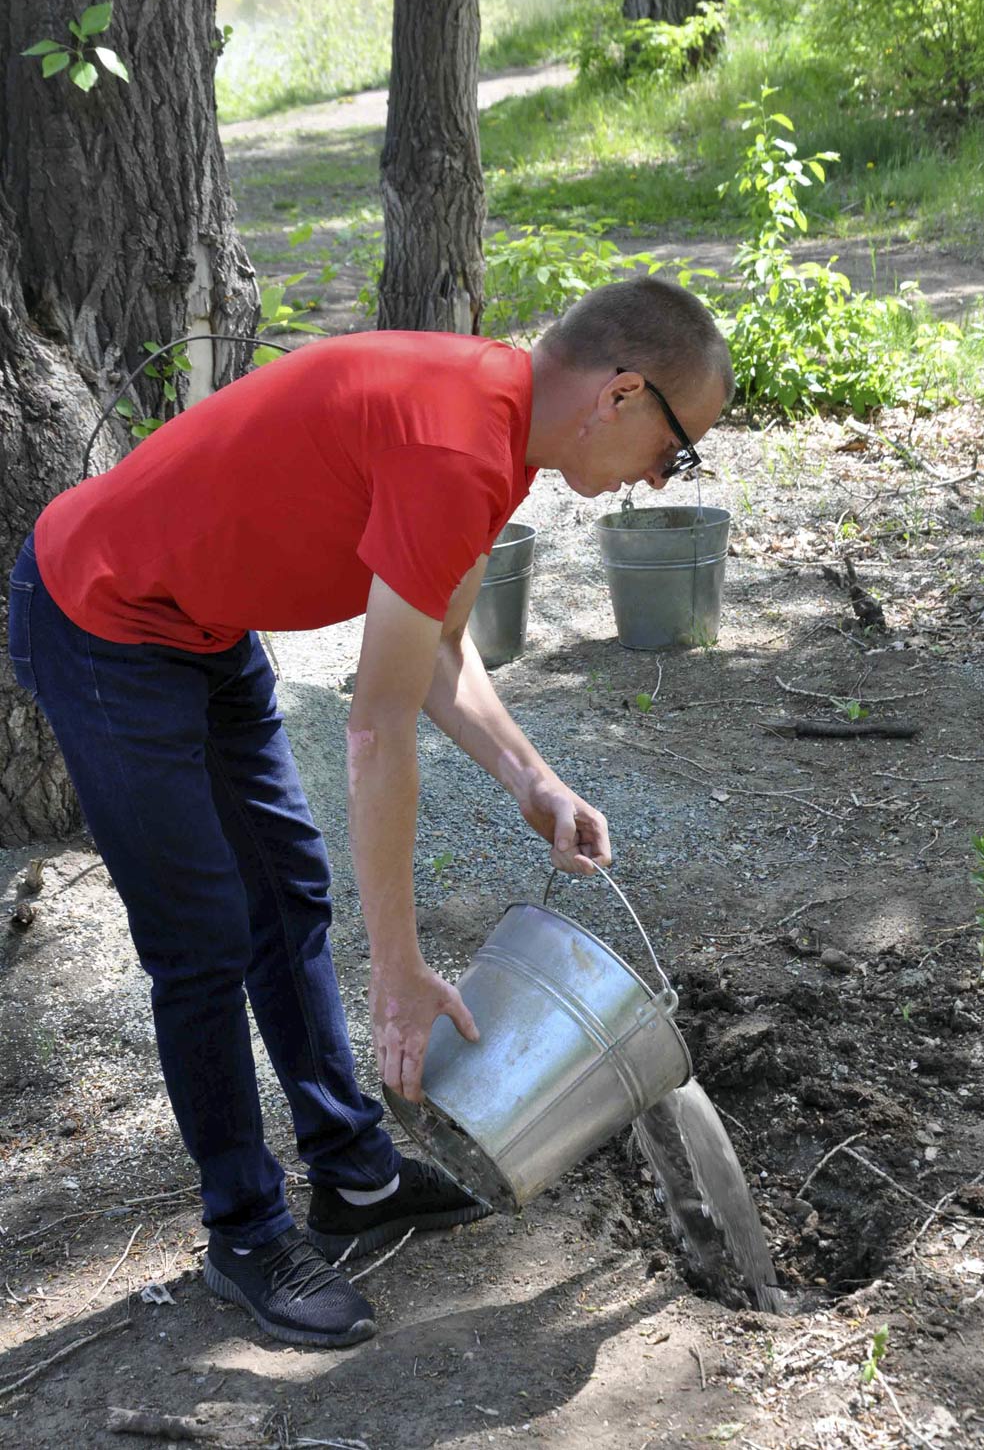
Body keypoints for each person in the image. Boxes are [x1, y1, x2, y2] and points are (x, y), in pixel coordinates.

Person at [7, 277, 733, 1349]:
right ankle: (245, 1234)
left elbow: (439, 651)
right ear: (621, 395)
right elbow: (376, 727)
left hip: (202, 623)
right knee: (202, 936)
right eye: (677, 450)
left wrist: (533, 781)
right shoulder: (458, 450)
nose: (660, 478)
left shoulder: (499, 431)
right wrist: (397, 972)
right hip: (106, 615)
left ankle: (350, 1172)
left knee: (286, 890)